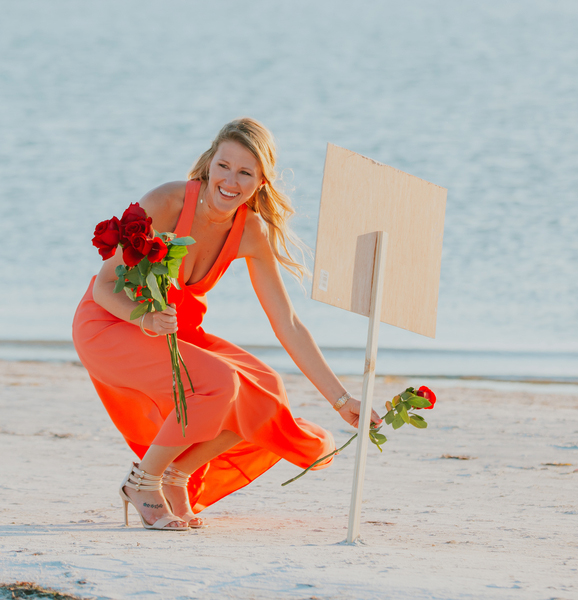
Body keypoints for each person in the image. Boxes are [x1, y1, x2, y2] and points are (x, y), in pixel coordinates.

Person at [72, 117, 380, 531]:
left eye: (245, 173)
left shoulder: (250, 230)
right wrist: (144, 315)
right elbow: (103, 289)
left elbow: (287, 322)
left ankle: (177, 474)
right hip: (110, 324)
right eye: (224, 166)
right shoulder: (168, 202)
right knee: (221, 382)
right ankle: (144, 481)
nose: (230, 181)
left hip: (173, 332)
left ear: (261, 182)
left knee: (266, 390)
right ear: (208, 162)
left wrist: (344, 402)